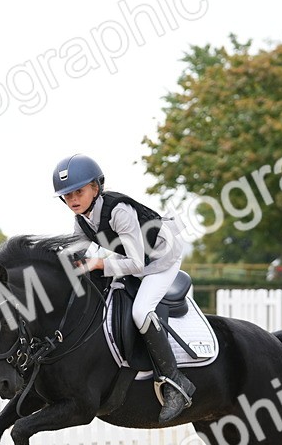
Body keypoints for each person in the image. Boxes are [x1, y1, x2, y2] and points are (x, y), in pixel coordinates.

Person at [53, 153, 193, 423]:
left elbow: (137, 265)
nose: (72, 200)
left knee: (140, 312)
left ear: (96, 187)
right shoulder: (82, 219)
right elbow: (76, 253)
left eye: (78, 192)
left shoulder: (119, 211)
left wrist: (98, 264)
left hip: (161, 260)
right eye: (67, 196)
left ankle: (176, 383)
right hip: (134, 257)